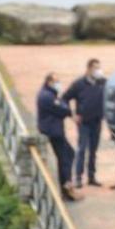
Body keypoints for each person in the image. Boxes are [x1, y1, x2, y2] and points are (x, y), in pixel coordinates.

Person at [36, 73, 81, 202]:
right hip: (52, 131)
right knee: (65, 157)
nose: (58, 84)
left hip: (55, 130)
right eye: (56, 81)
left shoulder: (50, 94)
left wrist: (65, 108)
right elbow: (63, 109)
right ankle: (66, 186)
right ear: (49, 82)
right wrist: (67, 110)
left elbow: (63, 106)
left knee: (68, 154)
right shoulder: (47, 96)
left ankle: (66, 185)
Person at [62, 58, 105, 188]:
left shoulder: (102, 82)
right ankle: (78, 177)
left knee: (94, 150)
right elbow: (65, 98)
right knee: (82, 149)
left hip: (97, 121)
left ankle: (92, 176)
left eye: (99, 68)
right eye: (95, 68)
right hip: (84, 122)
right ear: (88, 69)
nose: (98, 71)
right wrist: (72, 115)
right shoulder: (79, 84)